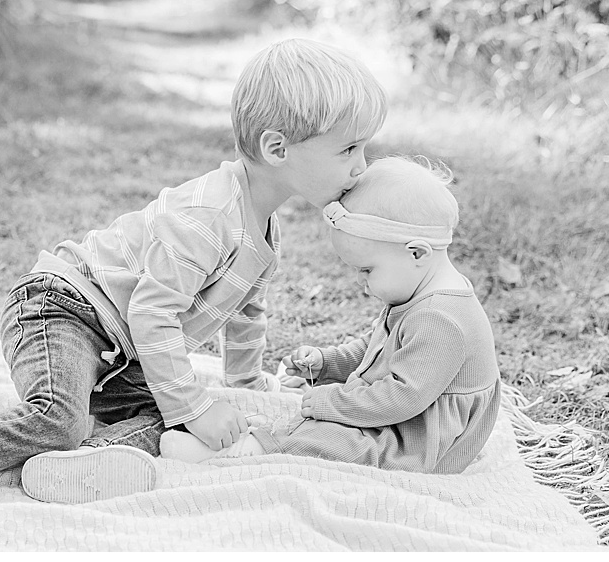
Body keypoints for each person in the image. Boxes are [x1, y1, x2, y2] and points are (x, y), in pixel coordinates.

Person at [0, 38, 387, 524]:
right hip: (64, 308)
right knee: (60, 416)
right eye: (349, 149)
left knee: (174, 415)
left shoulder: (263, 231)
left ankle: (84, 464)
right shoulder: (207, 215)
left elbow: (245, 313)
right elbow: (152, 313)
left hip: (120, 350)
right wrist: (195, 406)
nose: (362, 165)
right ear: (277, 149)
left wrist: (235, 390)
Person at [159, 156, 502, 474]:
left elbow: (401, 397)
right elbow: (378, 351)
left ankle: (245, 452)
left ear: (416, 253)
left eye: (366, 270)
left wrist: (331, 401)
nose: (359, 281)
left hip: (414, 445)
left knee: (337, 441)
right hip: (403, 421)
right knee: (328, 419)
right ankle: (268, 437)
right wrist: (328, 363)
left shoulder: (440, 318)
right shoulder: (419, 292)